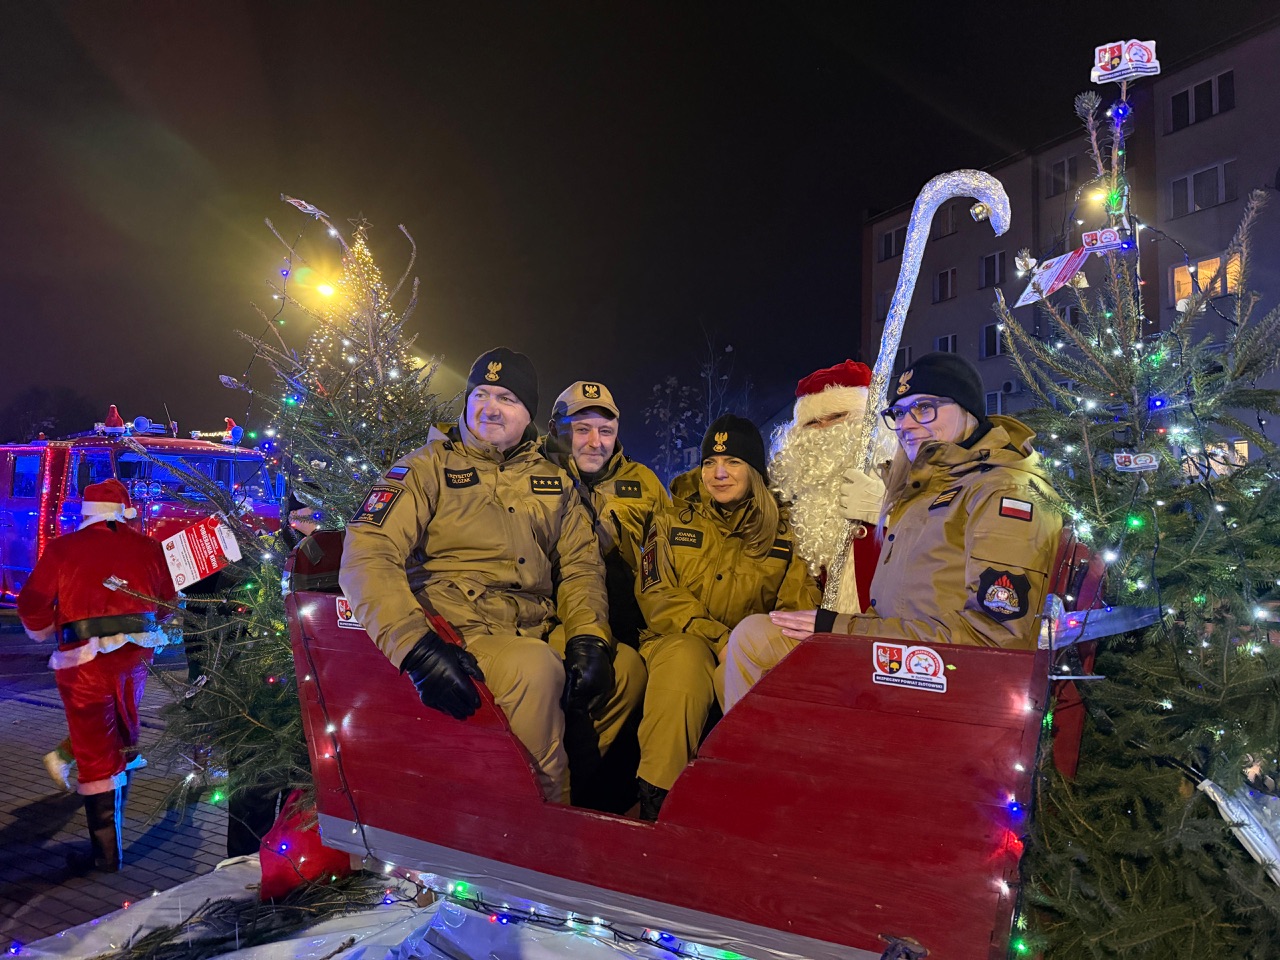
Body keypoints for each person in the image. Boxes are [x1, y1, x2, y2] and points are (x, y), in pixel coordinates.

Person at [339, 347, 645, 803]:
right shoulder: (427, 467)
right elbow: (368, 551)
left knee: (625, 670)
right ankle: (544, 817)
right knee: (535, 668)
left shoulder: (553, 481)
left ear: (528, 414)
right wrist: (417, 649)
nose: (490, 408)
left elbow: (581, 566)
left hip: (533, 625)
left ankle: (573, 787)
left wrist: (588, 638)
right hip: (461, 628)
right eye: (480, 394)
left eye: (506, 398)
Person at [722, 352, 1064, 711]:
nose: (907, 425)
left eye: (925, 408)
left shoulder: (1003, 493)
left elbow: (993, 636)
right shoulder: (928, 487)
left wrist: (841, 627)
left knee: (755, 642)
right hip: (891, 650)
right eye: (899, 413)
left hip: (932, 676)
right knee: (754, 636)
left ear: (968, 408)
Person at [634, 414, 821, 819]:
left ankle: (745, 798)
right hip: (673, 640)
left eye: (733, 462)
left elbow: (794, 607)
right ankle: (657, 801)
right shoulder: (671, 519)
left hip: (742, 651)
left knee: (732, 676)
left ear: (753, 469)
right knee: (685, 660)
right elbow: (656, 593)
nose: (719, 474)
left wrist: (736, 647)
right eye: (710, 463)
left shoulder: (784, 530)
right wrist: (719, 639)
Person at [18, 479, 177, 872]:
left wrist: (43, 628)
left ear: (86, 512)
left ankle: (105, 856)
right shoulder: (149, 547)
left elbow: (33, 602)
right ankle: (94, 792)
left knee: (94, 744)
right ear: (124, 512)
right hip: (135, 654)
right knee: (122, 727)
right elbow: (167, 602)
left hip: (83, 658)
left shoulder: (63, 548)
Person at [541, 380, 670, 649]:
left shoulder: (642, 480)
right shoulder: (531, 476)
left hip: (634, 627)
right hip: (552, 626)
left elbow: (673, 556)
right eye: (582, 429)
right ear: (554, 429)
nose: (595, 442)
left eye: (606, 431)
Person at [767, 359, 896, 615]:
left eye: (838, 417)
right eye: (812, 423)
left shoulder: (904, 476)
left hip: (889, 627)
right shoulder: (797, 499)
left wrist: (891, 512)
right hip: (824, 625)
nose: (825, 430)